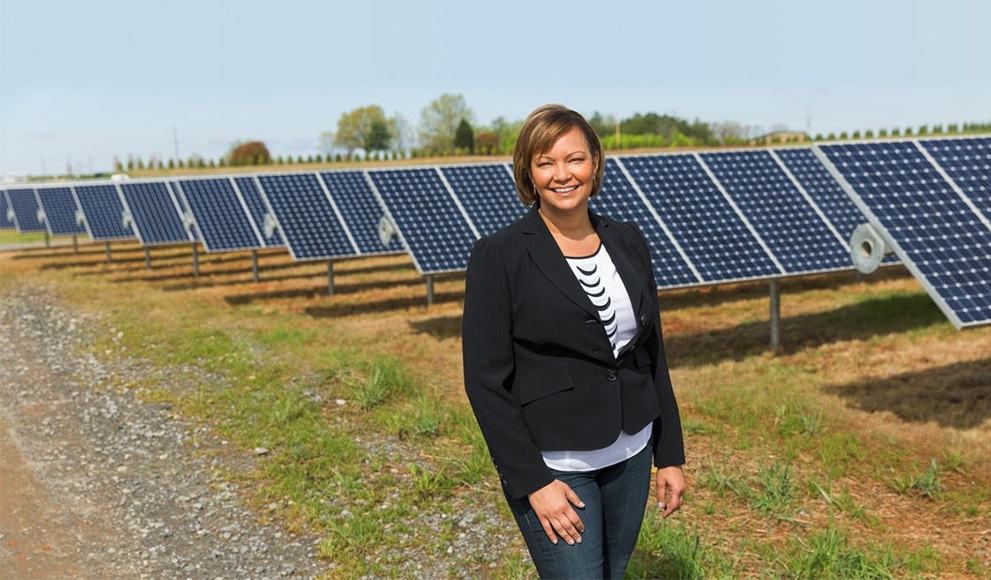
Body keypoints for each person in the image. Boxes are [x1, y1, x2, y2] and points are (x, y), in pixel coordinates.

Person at [462, 104, 687, 579]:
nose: (562, 175)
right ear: (528, 173)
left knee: (613, 572)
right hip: (555, 464)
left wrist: (669, 454)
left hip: (631, 452)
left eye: (574, 159)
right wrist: (533, 481)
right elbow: (484, 381)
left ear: (595, 164)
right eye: (546, 163)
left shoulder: (628, 240)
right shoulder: (500, 255)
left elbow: (652, 353)